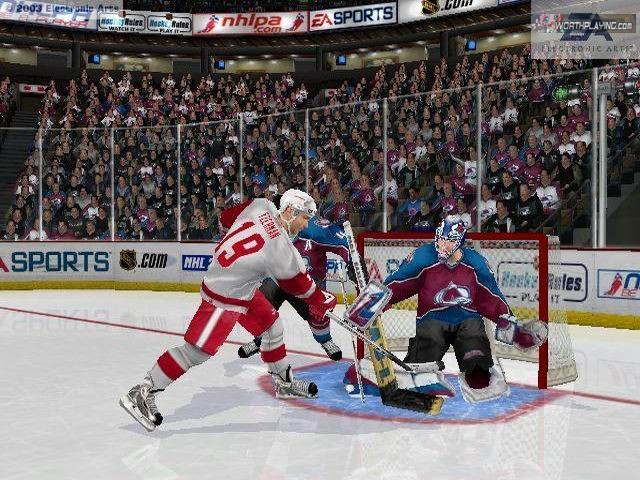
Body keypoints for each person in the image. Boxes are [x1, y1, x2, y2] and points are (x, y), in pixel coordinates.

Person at [120, 189, 338, 432]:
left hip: (238, 286)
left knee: (272, 326)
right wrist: (325, 299)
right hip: (225, 297)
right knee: (196, 353)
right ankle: (142, 391)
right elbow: (301, 287)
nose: (305, 224)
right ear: (289, 211)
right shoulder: (283, 249)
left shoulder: (260, 205)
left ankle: (283, 383)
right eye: (304, 218)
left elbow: (225, 219)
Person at [355, 217, 547, 404]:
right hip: (432, 319)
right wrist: (367, 305)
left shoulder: (475, 264)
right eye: (440, 238)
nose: (442, 244)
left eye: (449, 240)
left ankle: (478, 370)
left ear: (460, 242)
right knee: (419, 373)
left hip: (468, 319)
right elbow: (398, 282)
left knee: (479, 377)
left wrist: (513, 329)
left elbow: (491, 297)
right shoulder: (423, 257)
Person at [237, 216, 353, 362]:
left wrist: (353, 261)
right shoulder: (271, 228)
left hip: (306, 282)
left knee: (317, 312)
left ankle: (325, 340)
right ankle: (260, 340)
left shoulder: (314, 227)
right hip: (278, 278)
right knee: (261, 305)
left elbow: (343, 242)